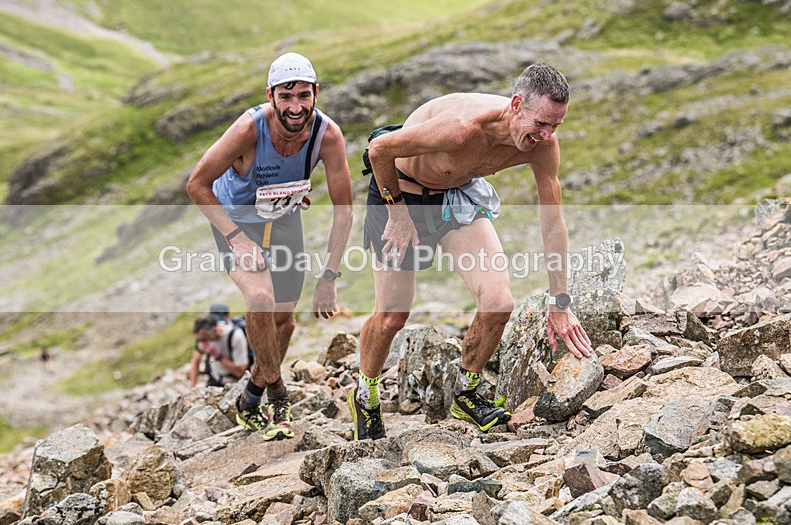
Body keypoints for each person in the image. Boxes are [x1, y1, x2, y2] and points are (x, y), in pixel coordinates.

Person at [350, 63, 594, 440]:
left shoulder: (543, 144)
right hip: (400, 194)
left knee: (498, 303)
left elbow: (552, 222)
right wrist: (396, 213)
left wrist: (559, 301)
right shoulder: (462, 128)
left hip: (455, 196)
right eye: (541, 123)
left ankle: (466, 394)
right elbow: (379, 149)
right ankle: (365, 396)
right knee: (392, 317)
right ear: (516, 105)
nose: (547, 135)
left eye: (556, 126)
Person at [187, 52, 353, 441]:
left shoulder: (327, 135)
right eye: (286, 96)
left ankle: (250, 398)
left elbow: (344, 211)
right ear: (270, 95)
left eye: (304, 96)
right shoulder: (248, 129)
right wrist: (235, 237)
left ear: (316, 93)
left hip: (283, 219)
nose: (295, 107)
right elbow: (196, 184)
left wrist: (328, 277)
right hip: (236, 222)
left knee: (284, 322)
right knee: (260, 298)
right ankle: (279, 397)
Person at [190, 314, 249, 387]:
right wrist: (192, 386)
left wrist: (217, 355)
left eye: (204, 339)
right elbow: (195, 360)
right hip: (214, 378)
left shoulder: (236, 336)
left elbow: (240, 372)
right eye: (199, 339)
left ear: (215, 330)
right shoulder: (202, 337)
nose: (202, 343)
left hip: (233, 382)